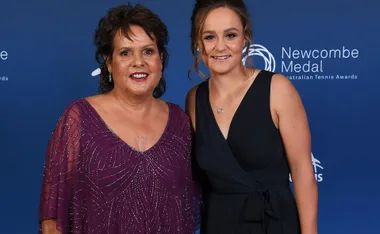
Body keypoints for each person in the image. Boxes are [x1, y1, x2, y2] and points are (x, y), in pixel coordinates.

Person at [39, 3, 200, 234]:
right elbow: (52, 219)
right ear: (108, 62)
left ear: (160, 59)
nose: (138, 62)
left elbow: (190, 206)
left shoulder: (181, 122)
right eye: (125, 52)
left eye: (148, 51)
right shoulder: (79, 119)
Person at [186, 0, 318, 233]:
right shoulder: (194, 99)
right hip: (219, 223)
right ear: (198, 43)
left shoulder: (277, 89)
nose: (220, 47)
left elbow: (302, 170)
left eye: (230, 35)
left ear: (245, 37)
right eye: (209, 37)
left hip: (274, 222)